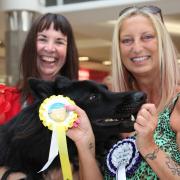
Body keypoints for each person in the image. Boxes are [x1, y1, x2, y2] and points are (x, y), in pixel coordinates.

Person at [0, 13, 102, 180]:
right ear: (31, 46)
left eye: (59, 41)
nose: (49, 48)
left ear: (68, 50)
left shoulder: (84, 106)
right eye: (43, 39)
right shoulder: (5, 102)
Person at [104, 5, 180, 180]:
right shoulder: (111, 105)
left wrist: (148, 145)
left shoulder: (177, 103)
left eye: (147, 37)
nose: (137, 48)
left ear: (161, 42)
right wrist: (86, 144)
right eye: (127, 40)